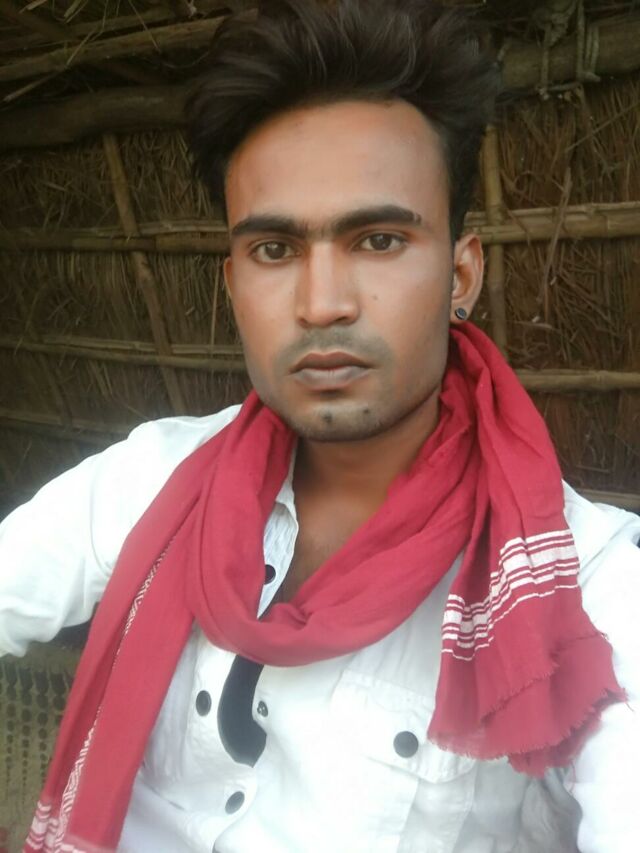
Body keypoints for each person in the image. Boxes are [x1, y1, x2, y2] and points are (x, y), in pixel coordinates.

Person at [1, 1, 639, 851]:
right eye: (275, 250)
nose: (322, 303)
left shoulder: (579, 586)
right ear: (233, 285)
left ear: (461, 275)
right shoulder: (152, 479)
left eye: (378, 240)